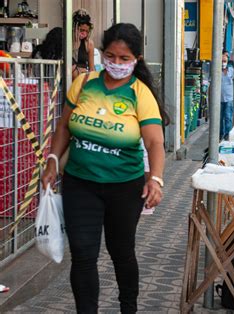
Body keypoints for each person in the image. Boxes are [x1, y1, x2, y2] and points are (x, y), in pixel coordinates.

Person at [40, 23, 168, 313]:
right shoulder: (84, 83)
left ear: (136, 59)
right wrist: (51, 160)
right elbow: (63, 128)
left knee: (121, 252)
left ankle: (128, 308)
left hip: (125, 186)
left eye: (125, 59)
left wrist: (157, 179)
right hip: (80, 183)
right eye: (111, 56)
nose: (117, 64)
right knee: (83, 254)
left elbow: (155, 143)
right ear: (101, 54)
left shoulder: (140, 93)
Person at [72, 9, 95, 80]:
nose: (84, 33)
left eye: (87, 31)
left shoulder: (89, 44)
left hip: (83, 78)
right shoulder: (68, 42)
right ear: (74, 28)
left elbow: (91, 69)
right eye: (81, 30)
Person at [220, 52, 234, 140]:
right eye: (221, 61)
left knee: (228, 117)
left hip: (229, 97)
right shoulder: (216, 70)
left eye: (224, 61)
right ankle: (220, 134)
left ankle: (227, 135)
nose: (223, 63)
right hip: (219, 98)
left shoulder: (231, 70)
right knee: (220, 118)